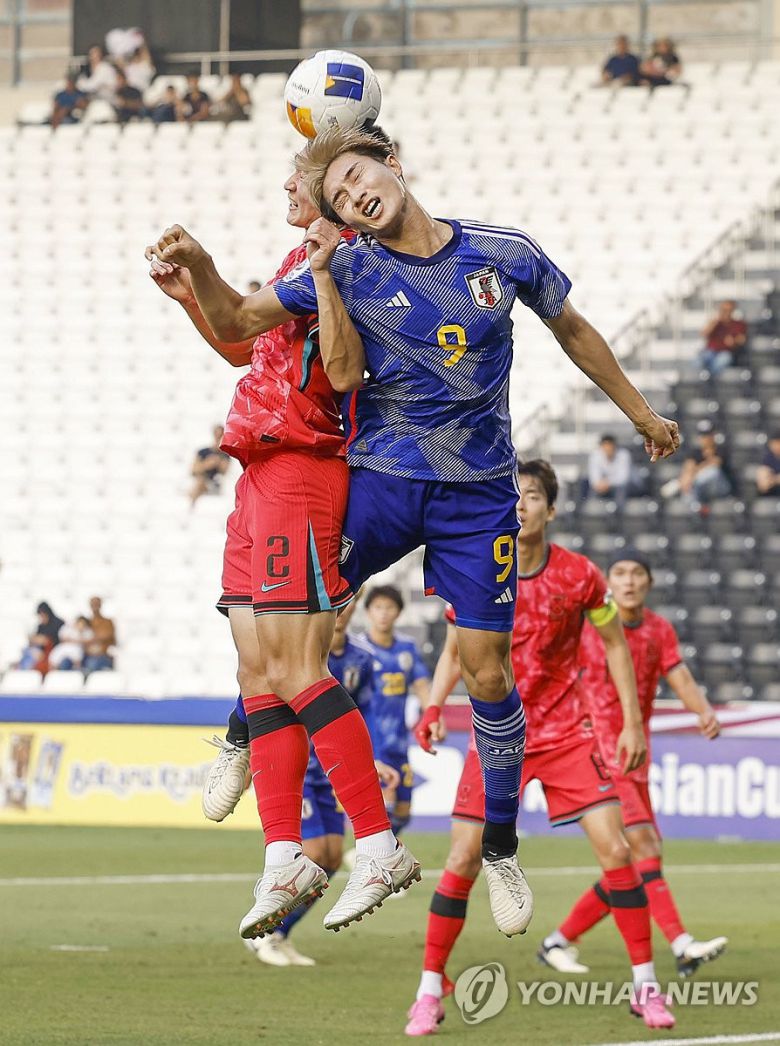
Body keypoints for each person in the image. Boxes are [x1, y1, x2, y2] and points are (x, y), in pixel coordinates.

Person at [147, 124, 679, 938]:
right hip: (382, 482)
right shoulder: (348, 265)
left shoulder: (502, 253)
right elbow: (242, 320)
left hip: (479, 498)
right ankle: (243, 731)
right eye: (339, 197)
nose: (355, 196)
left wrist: (641, 414)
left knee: (487, 672)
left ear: (391, 165)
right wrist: (200, 271)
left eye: (359, 177)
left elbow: (572, 329)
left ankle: (499, 847)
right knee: (297, 619)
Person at [146, 156, 419, 943]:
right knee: (257, 673)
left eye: (299, 177)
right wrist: (194, 300)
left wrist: (205, 266)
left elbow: (339, 369)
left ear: (331, 190)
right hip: (259, 470)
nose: (287, 188)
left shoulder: (348, 262)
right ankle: (283, 855)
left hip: (302, 468)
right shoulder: (298, 261)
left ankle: (378, 843)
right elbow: (249, 347)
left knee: (299, 670)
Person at [408, 460, 674, 1034]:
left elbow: (615, 644)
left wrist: (631, 723)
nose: (520, 504)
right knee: (462, 859)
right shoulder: (476, 566)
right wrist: (433, 707)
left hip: (564, 733)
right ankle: (429, 989)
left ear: (550, 510)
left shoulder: (581, 576)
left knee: (618, 851)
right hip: (494, 735)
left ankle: (647, 986)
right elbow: (454, 650)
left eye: (531, 496)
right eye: (513, 495)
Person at [552, 550, 727, 978]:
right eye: (620, 573)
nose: (629, 581)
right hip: (598, 755)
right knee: (644, 848)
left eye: (637, 574)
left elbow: (677, 673)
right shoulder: (589, 625)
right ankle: (682, 945)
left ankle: (558, 941)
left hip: (635, 757)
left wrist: (702, 710)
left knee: (631, 862)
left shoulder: (659, 629)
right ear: (608, 582)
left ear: (649, 583)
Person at [245, 611, 397, 966]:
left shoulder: (361, 658)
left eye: (348, 604)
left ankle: (279, 933)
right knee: (311, 854)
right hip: (300, 768)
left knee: (331, 858)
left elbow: (366, 711)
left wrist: (372, 756)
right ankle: (264, 932)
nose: (342, 611)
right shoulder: (300, 647)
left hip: (332, 771)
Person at [356, 585, 431, 837]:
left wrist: (432, 713)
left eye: (389, 607)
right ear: (368, 612)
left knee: (403, 810)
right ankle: (372, 852)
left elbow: (421, 684)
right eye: (378, 607)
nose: (383, 613)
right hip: (370, 741)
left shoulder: (407, 648)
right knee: (382, 804)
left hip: (398, 742)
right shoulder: (359, 649)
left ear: (398, 612)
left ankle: (376, 850)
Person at [679, 421, 733, 505]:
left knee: (712, 472)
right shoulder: (696, 452)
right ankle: (693, 506)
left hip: (721, 488)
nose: (706, 438)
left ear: (713, 435)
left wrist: (695, 474)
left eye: (708, 435)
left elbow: (715, 463)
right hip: (701, 488)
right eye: (703, 435)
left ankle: (695, 501)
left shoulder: (720, 449)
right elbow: (689, 467)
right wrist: (687, 478)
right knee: (687, 486)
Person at [585, 433, 645, 506]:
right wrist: (600, 484)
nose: (608, 449)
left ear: (614, 446)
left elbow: (623, 479)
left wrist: (607, 483)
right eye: (605, 446)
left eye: (610, 446)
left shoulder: (624, 455)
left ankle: (619, 511)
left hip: (631, 485)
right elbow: (594, 479)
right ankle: (591, 510)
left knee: (620, 490)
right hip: (607, 487)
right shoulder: (595, 456)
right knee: (592, 490)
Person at [697, 300, 748, 375]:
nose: (725, 312)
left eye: (728, 310)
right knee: (699, 360)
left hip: (726, 352)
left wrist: (734, 341)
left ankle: (710, 378)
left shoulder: (739, 324)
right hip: (711, 351)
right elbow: (704, 334)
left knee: (722, 360)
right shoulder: (715, 323)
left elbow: (742, 339)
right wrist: (715, 323)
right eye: (723, 310)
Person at [190, 424, 231, 505]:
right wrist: (206, 464)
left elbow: (224, 472)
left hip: (214, 483)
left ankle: (192, 504)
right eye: (217, 435)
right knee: (200, 481)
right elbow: (193, 470)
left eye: (220, 435)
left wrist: (218, 461)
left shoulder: (225, 454)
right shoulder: (202, 452)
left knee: (199, 483)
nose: (218, 438)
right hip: (201, 481)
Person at [17, 602, 64, 672]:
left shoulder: (58, 623)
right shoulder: (41, 626)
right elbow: (35, 639)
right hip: (41, 652)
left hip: (54, 652)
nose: (41, 617)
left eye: (43, 615)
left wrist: (41, 640)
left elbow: (49, 640)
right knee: (28, 651)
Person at [83, 596, 116, 673]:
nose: (95, 606)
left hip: (103, 656)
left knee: (92, 664)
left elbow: (109, 637)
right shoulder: (87, 622)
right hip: (88, 655)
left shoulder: (108, 622)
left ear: (100, 605)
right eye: (93, 604)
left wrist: (92, 639)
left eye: (97, 604)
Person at [756, 430, 780, 496]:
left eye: (778, 443)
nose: (776, 446)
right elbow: (763, 486)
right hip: (773, 493)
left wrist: (775, 480)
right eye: (774, 443)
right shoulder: (768, 457)